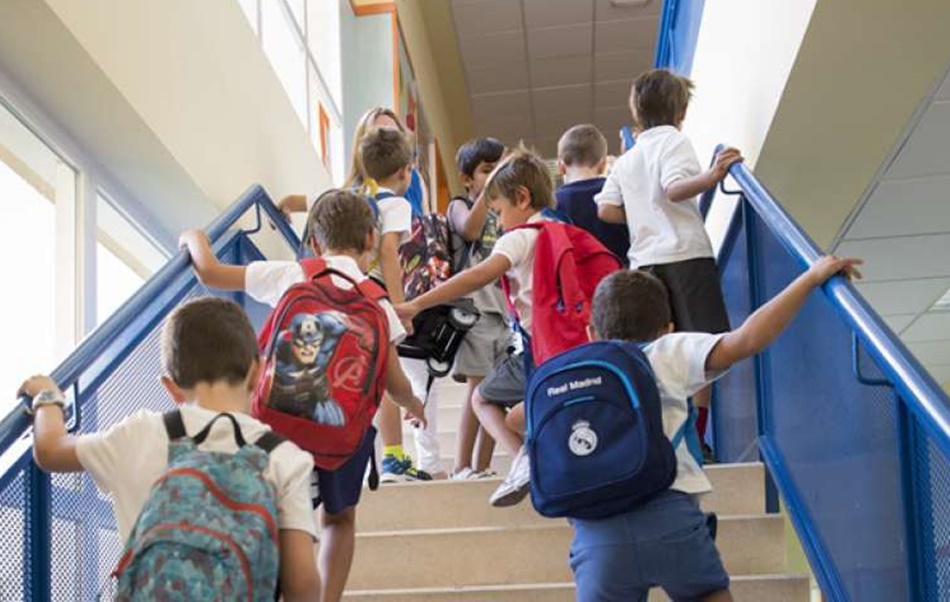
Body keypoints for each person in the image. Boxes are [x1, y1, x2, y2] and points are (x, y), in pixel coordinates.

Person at [179, 189, 427, 602]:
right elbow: (393, 382)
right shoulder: (378, 302)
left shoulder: (292, 274)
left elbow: (209, 272)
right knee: (339, 519)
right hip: (343, 436)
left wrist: (192, 236)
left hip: (276, 424)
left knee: (274, 512)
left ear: (313, 241)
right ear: (371, 239)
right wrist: (414, 406)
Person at [573, 256, 862, 601]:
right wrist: (810, 278)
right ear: (667, 328)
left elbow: (517, 420)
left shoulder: (577, 374)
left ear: (591, 333)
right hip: (670, 516)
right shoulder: (668, 350)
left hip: (598, 531)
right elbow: (749, 339)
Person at [21, 297, 320, 601]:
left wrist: (47, 396)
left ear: (170, 386)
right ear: (257, 371)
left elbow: (50, 449)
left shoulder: (138, 434)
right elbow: (303, 585)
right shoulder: (285, 458)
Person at [595, 68, 743, 462]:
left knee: (655, 351)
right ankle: (695, 438)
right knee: (704, 348)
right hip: (685, 257)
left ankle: (663, 434)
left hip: (645, 265)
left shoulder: (628, 158)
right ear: (681, 110)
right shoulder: (675, 142)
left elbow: (606, 209)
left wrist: (644, 215)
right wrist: (712, 175)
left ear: (637, 112)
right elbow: (674, 188)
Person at [397, 148, 559, 506]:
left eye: (501, 212)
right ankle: (483, 464)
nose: (499, 222)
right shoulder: (559, 229)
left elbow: (479, 274)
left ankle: (524, 462)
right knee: (504, 404)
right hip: (541, 338)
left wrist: (418, 303)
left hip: (533, 344)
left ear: (521, 198)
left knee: (485, 397)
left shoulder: (521, 235)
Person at [445, 137, 507, 480]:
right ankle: (460, 465)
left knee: (495, 393)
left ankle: (482, 467)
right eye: (487, 170)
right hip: (474, 310)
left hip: (502, 312)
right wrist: (493, 186)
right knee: (478, 387)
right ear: (468, 179)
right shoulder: (459, 204)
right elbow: (468, 228)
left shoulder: (503, 212)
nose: (495, 176)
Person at [277, 107, 427, 217]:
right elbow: (324, 201)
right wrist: (290, 203)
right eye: (379, 135)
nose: (387, 143)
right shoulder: (356, 193)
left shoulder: (414, 180)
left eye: (393, 134)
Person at [555, 124, 629, 265]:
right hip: (620, 277)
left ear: (561, 167)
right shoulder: (616, 193)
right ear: (603, 164)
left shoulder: (553, 203)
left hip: (575, 280)